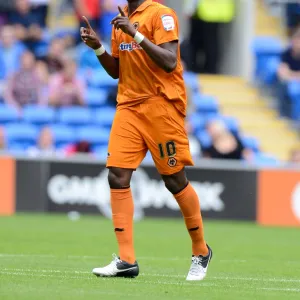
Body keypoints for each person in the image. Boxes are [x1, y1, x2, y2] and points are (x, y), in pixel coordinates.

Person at [80, 0, 212, 281]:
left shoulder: (161, 14)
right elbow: (117, 70)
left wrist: (135, 33)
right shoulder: (121, 18)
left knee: (174, 180)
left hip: (161, 105)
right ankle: (127, 260)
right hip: (128, 106)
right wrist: (98, 48)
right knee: (117, 175)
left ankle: (201, 250)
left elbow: (169, 61)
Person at [184, 0, 235, 73]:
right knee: (210, 42)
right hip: (211, 9)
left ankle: (208, 71)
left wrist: (190, 7)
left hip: (207, 9)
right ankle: (210, 70)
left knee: (208, 43)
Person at [277, 28, 300, 118]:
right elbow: (282, 73)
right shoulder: (286, 53)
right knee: (283, 84)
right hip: (289, 81)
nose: (297, 44)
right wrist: (295, 76)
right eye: (296, 41)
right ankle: (283, 114)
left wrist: (290, 74)